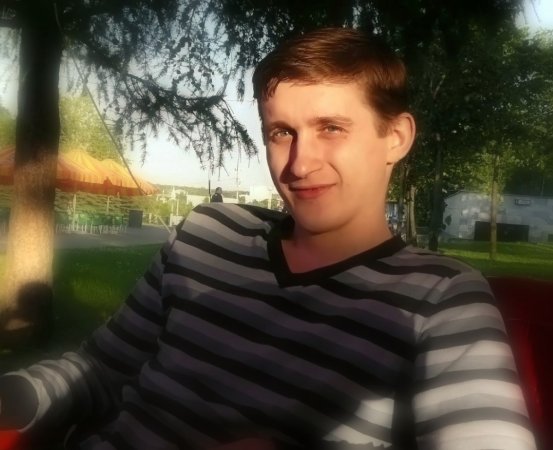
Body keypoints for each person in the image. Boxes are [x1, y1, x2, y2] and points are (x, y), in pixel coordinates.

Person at [0, 28, 536, 450]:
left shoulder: (441, 299)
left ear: (395, 137)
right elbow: (97, 370)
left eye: (331, 128)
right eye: (281, 132)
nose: (299, 164)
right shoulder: (205, 235)